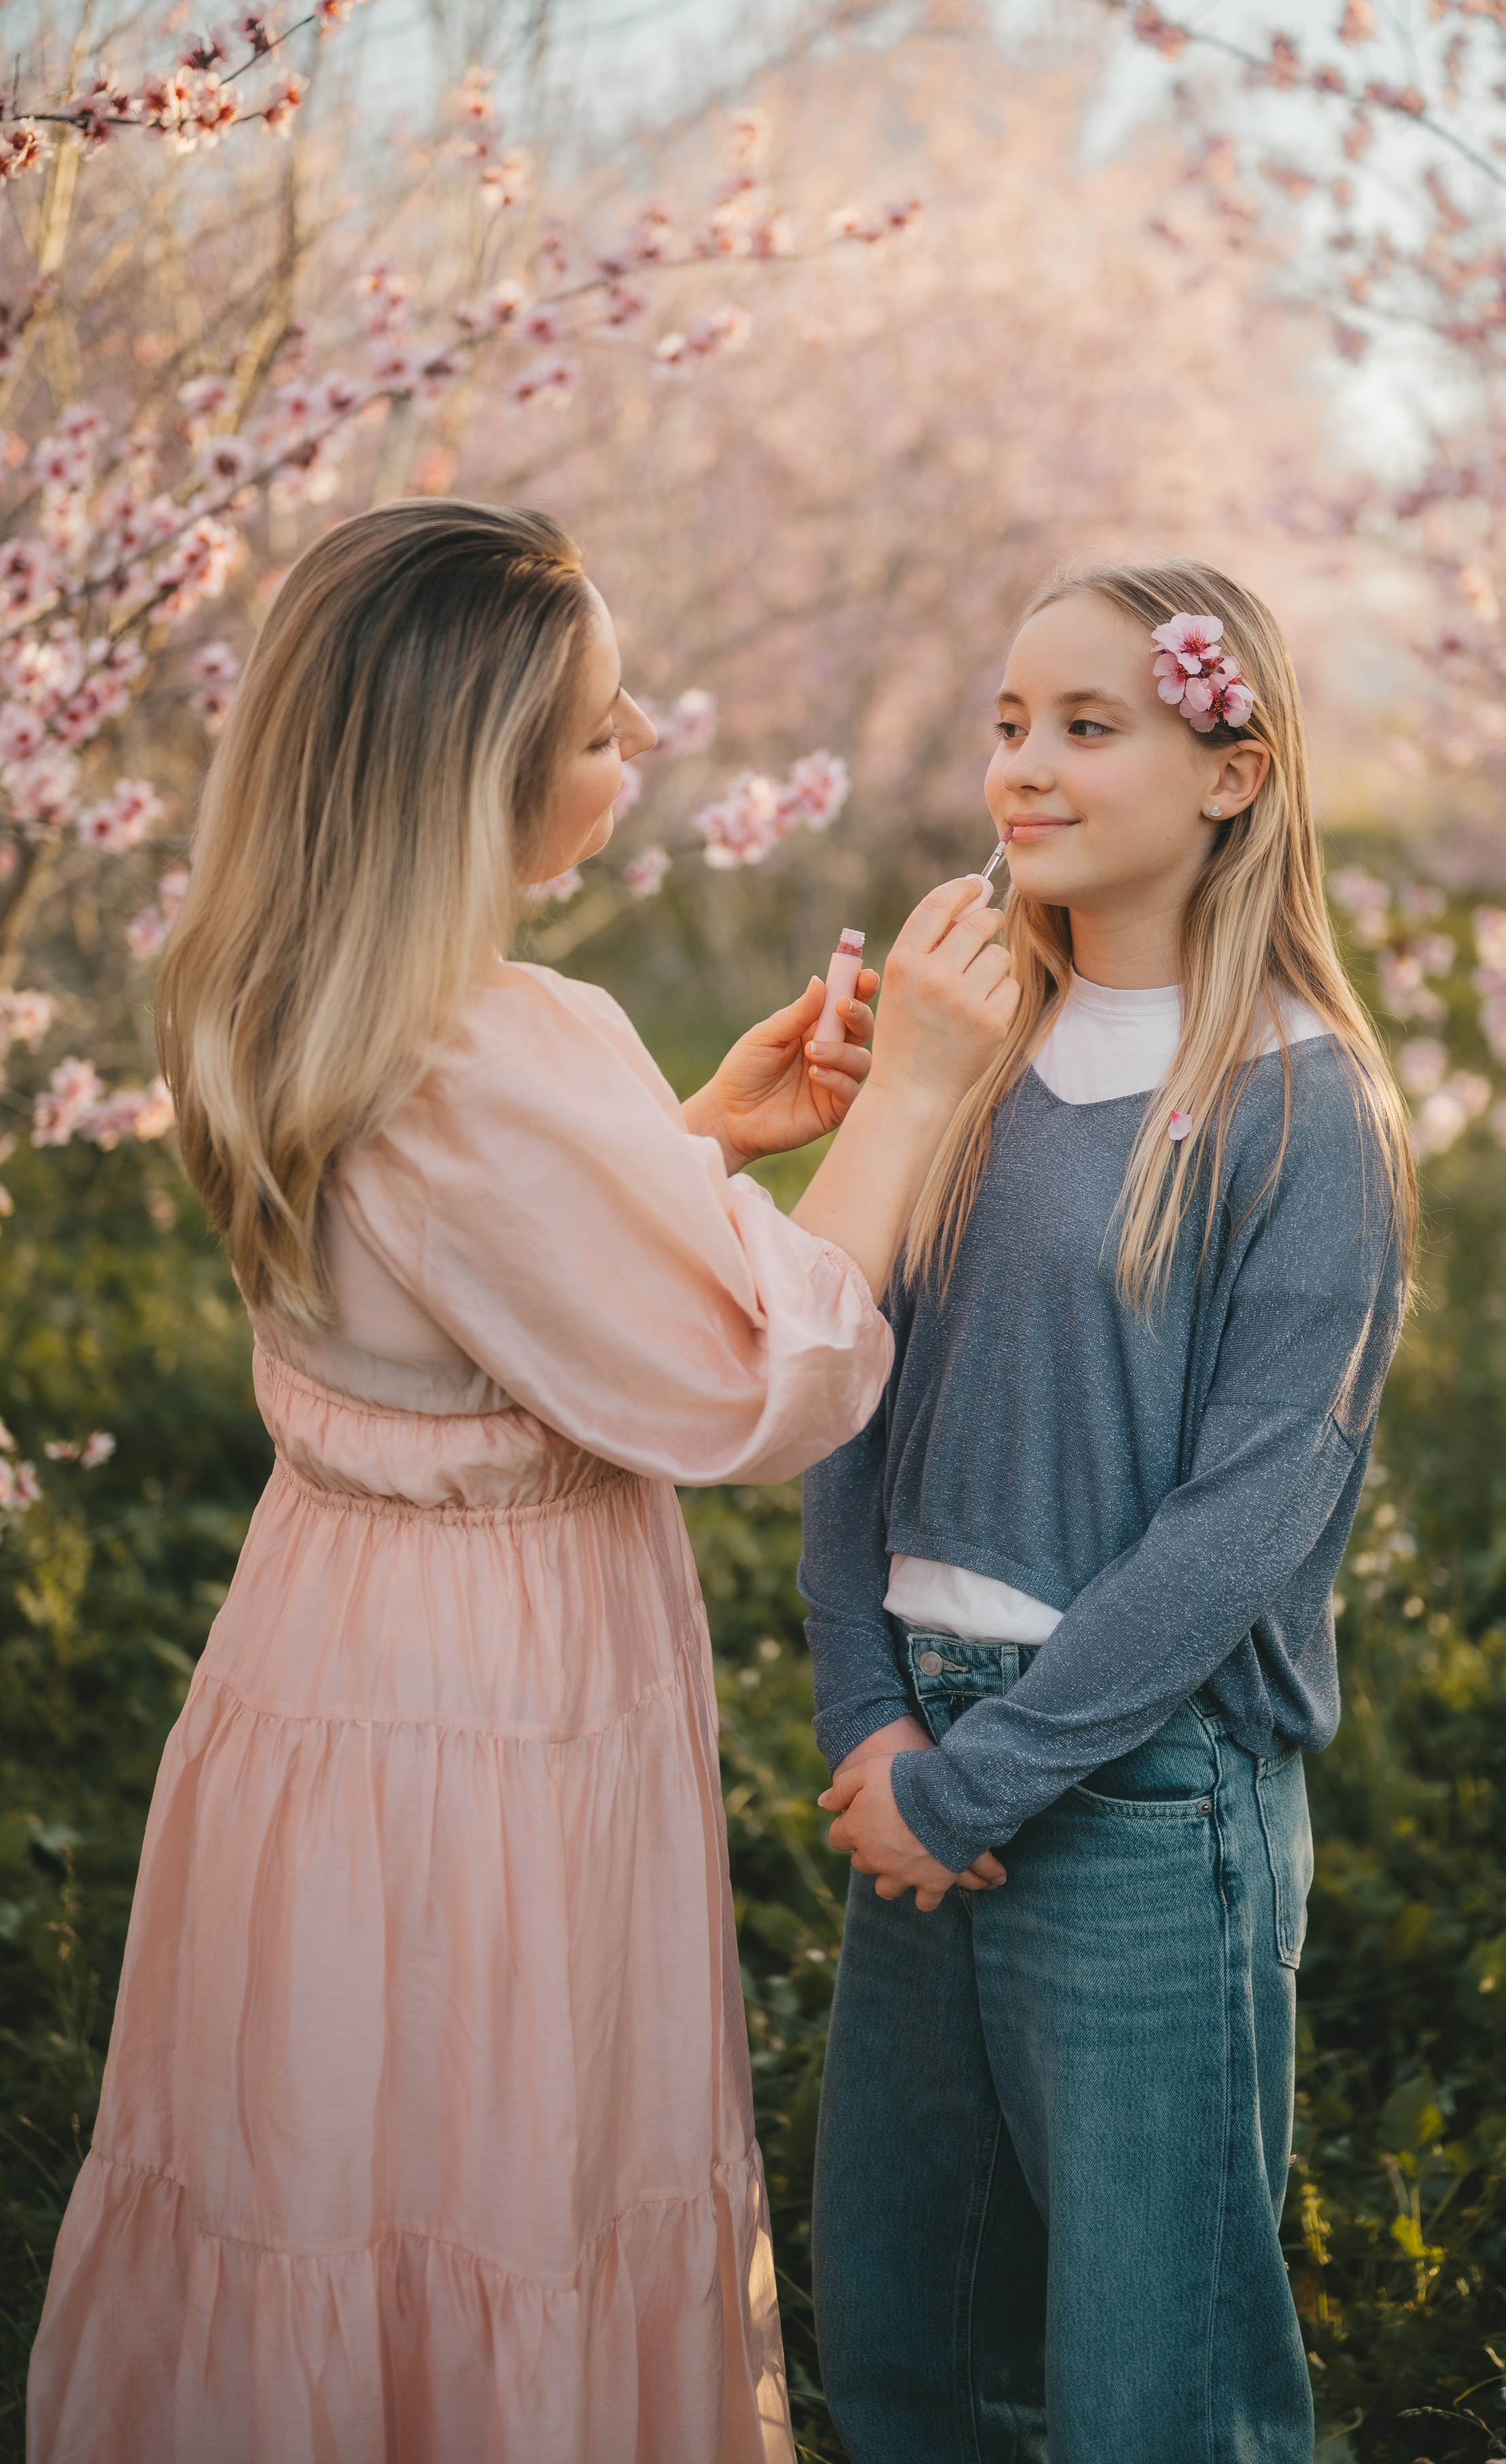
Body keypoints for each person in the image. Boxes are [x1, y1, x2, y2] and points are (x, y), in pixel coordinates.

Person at [27, 499, 1017, 2464]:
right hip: (498, 1702)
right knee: (499, 2163)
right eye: (593, 725)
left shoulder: (283, 998)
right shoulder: (504, 1047)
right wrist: (910, 1095)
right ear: (468, 781)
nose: (638, 736)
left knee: (326, 2155)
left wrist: (690, 1148)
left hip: (323, 1659)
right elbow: (755, 1382)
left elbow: (462, 1296)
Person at [801, 561, 1417, 2464]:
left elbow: (1250, 1519)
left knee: (1155, 2392)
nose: (1026, 768)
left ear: (1233, 771)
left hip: (1145, 1796)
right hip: (916, 1753)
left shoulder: (1302, 1106)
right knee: (910, 2352)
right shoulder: (961, 1048)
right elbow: (843, 1379)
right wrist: (871, 1717)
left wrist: (981, 1786)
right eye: (1009, 726)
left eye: (1088, 725)